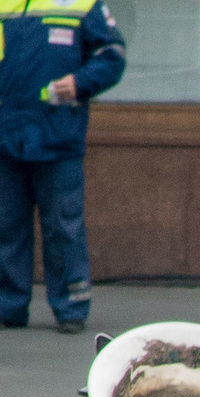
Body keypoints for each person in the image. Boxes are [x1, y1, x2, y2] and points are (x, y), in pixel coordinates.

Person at [0, 0, 119, 332]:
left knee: (63, 228)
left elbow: (111, 55)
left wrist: (80, 83)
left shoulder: (83, 3)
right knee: (6, 226)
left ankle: (71, 307)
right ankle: (8, 306)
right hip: (6, 135)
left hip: (58, 135)